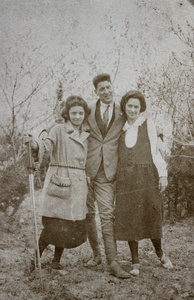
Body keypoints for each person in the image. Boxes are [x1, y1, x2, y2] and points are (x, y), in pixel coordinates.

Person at [24, 96, 91, 270]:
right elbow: (47, 144)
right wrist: (35, 145)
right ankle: (35, 258)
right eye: (73, 113)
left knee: (68, 225)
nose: (77, 116)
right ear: (67, 114)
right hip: (60, 179)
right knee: (54, 225)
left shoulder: (87, 133)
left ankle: (56, 261)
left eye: (80, 113)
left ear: (85, 114)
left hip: (79, 185)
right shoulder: (58, 129)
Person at [114, 90, 173, 276]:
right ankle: (135, 261)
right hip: (126, 180)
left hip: (147, 176)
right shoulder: (120, 128)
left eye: (136, 107)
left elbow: (156, 151)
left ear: (141, 109)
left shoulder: (147, 124)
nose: (132, 109)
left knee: (151, 214)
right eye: (129, 106)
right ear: (124, 107)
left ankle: (160, 253)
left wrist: (162, 175)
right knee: (131, 217)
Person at [85, 73, 131, 278]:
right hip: (85, 170)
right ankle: (96, 255)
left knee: (106, 215)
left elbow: (140, 121)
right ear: (96, 92)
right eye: (101, 89)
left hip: (108, 172)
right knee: (87, 214)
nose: (106, 91)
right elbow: (65, 119)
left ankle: (113, 262)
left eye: (108, 87)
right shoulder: (87, 110)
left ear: (113, 87)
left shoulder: (124, 109)